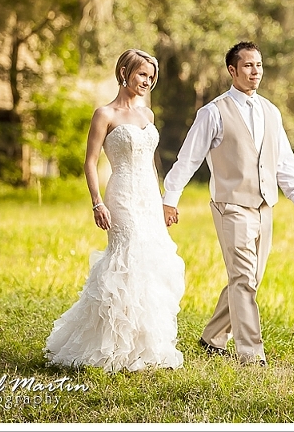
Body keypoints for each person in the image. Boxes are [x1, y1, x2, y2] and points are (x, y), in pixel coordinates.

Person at [163, 41, 294, 367]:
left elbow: (283, 162)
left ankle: (212, 337)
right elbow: (188, 159)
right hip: (230, 205)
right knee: (244, 279)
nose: (255, 71)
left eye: (258, 65)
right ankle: (251, 354)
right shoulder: (213, 112)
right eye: (247, 65)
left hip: (265, 207)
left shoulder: (271, 111)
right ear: (232, 70)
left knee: (248, 279)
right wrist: (170, 200)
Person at [44, 49, 185, 373]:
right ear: (124, 72)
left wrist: (163, 202)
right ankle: (109, 343)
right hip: (120, 194)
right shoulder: (104, 114)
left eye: (151, 77)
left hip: (148, 196)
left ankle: (143, 345)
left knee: (150, 263)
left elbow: (150, 164)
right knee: (126, 259)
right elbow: (90, 162)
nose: (147, 81)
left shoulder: (147, 115)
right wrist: (97, 202)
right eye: (141, 75)